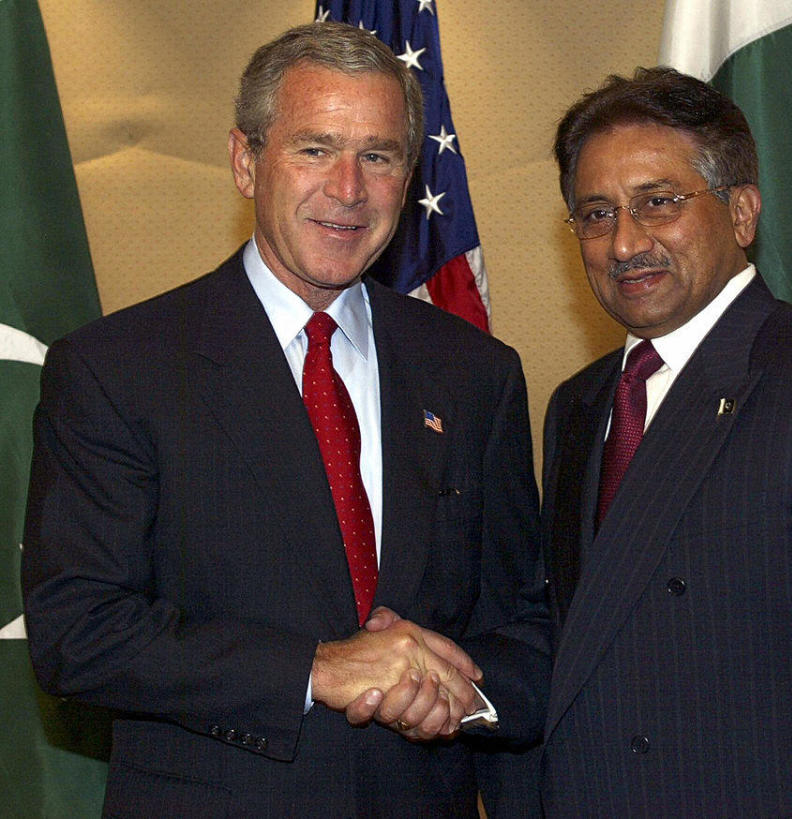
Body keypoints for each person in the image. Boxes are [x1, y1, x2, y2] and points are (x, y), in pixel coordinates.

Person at [21, 21, 549, 817]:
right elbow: (78, 632)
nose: (348, 188)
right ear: (245, 160)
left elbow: (525, 628)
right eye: (314, 149)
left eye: (378, 155)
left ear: (408, 179)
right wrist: (316, 668)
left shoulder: (476, 373)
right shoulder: (117, 368)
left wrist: (458, 695)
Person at [538, 66, 792, 816]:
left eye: (657, 203)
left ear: (741, 213)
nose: (624, 241)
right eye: (595, 214)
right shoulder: (577, 406)